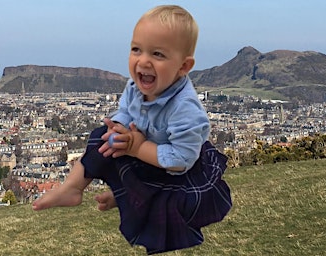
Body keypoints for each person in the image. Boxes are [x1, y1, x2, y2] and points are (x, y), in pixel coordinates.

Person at [32, 5, 232, 255]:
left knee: (166, 203)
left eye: (157, 54)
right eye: (136, 49)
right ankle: (73, 188)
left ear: (183, 67)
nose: (143, 60)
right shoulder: (136, 87)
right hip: (146, 152)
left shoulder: (186, 109)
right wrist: (120, 129)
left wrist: (137, 147)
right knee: (101, 138)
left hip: (178, 170)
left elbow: (180, 159)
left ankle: (124, 196)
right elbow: (126, 111)